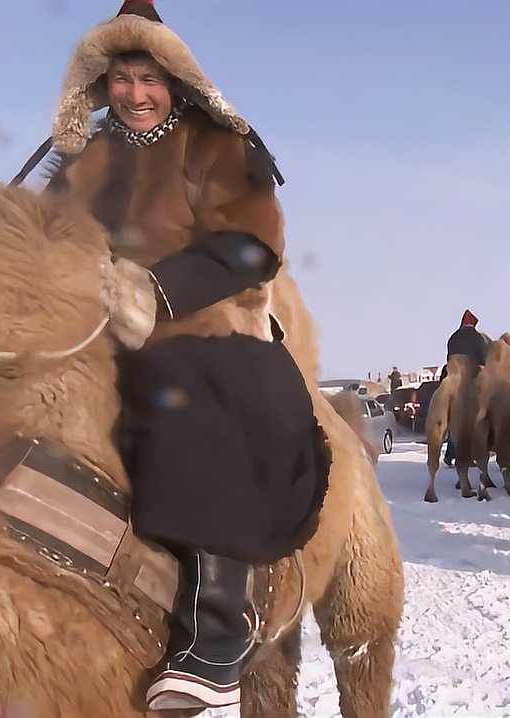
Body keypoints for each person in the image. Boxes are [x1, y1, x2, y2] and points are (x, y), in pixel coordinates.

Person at [41, 1, 327, 709]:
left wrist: (155, 291)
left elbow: (252, 244)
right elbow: (41, 236)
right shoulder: (83, 160)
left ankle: (217, 632)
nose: (135, 94)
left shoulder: (219, 145)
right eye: (121, 78)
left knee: (181, 387)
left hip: (200, 323)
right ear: (101, 84)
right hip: (84, 326)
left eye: (149, 77)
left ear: (174, 78)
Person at [441, 309, 490, 464]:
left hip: (452, 375)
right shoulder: (478, 338)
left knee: (454, 418)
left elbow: (448, 357)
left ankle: (450, 454)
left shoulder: (453, 337)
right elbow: (484, 358)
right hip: (472, 377)